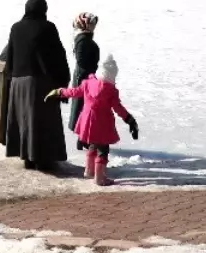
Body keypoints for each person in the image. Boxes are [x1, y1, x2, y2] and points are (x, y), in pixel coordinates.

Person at [1, 0, 71, 171]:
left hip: (18, 82)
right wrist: (63, 81)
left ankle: (27, 157)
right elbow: (58, 56)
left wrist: (11, 77)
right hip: (40, 82)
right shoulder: (48, 28)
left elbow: (10, 55)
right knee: (42, 120)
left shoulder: (16, 28)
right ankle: (44, 159)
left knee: (24, 120)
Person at [47, 55, 138, 186]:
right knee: (103, 149)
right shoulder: (111, 91)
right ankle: (99, 178)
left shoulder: (88, 83)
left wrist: (59, 92)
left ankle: (89, 171)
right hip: (103, 123)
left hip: (88, 121)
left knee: (93, 144)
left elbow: (74, 92)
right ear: (112, 75)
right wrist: (130, 120)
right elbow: (119, 108)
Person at [68, 12, 101, 145]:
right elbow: (81, 62)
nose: (94, 26)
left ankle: (83, 138)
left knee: (85, 108)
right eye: (92, 23)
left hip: (85, 77)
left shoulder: (84, 39)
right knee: (83, 108)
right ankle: (82, 139)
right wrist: (87, 80)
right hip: (84, 79)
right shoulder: (83, 40)